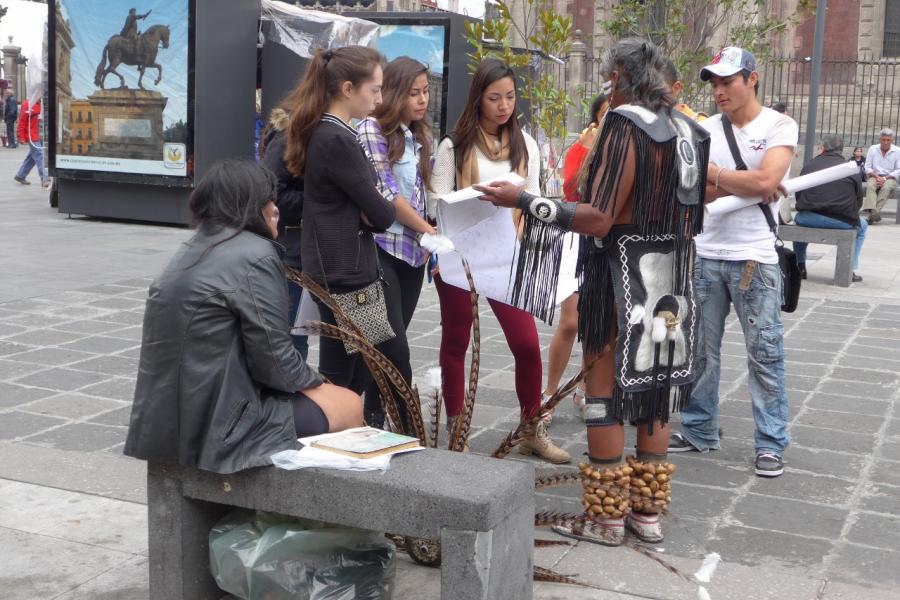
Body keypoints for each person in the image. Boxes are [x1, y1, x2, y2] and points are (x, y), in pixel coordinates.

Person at [477, 38, 710, 544]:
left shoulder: (626, 125)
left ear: (626, 78)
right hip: (670, 277)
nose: (609, 88)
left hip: (618, 274)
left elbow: (601, 218)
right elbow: (696, 209)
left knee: (601, 392)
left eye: (611, 80)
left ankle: (606, 518)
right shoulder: (691, 129)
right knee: (657, 391)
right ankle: (646, 517)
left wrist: (527, 200)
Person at [124, 160, 363, 474]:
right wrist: (320, 384)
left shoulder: (192, 247)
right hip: (221, 426)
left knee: (328, 396)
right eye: (268, 200)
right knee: (349, 403)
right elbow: (275, 364)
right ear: (248, 206)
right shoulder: (256, 255)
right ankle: (313, 504)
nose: (275, 208)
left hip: (169, 422)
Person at [430, 58, 569, 463]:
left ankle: (531, 429)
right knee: (456, 342)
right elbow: (436, 203)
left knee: (526, 344)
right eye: (494, 98)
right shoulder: (453, 145)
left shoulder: (525, 144)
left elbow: (537, 197)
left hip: (508, 255)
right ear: (478, 99)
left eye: (509, 97)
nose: (504, 105)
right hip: (460, 258)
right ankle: (458, 431)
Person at [668, 47, 797, 479]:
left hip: (755, 260)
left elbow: (766, 180)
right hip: (706, 255)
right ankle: (699, 428)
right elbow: (688, 190)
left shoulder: (779, 125)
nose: (719, 90)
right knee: (699, 354)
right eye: (714, 83)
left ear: (752, 79)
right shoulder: (704, 129)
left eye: (727, 82)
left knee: (765, 353)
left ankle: (771, 442)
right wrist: (744, 184)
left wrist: (718, 175)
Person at [285, 46, 401, 421]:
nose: (380, 99)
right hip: (344, 273)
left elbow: (374, 208)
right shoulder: (336, 138)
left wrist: (367, 207)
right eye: (375, 89)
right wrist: (367, 209)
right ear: (348, 88)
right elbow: (383, 213)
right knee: (344, 372)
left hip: (343, 269)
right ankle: (327, 440)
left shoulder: (332, 132)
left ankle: (339, 439)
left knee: (362, 364)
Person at [357, 57, 435, 428]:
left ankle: (374, 417)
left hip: (413, 256)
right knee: (393, 347)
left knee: (386, 346)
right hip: (380, 247)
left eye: (425, 91)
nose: (422, 100)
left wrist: (429, 230)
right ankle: (409, 426)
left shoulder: (418, 136)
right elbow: (387, 195)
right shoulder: (371, 129)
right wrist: (426, 229)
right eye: (413, 92)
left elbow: (420, 194)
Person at [546, 93, 609, 421]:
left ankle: (586, 388)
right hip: (576, 238)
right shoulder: (582, 145)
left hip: (608, 241)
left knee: (597, 323)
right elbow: (570, 189)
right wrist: (587, 150)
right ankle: (550, 392)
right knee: (571, 321)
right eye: (604, 113)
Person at [260, 92, 308, 360]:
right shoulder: (288, 138)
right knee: (293, 338)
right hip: (294, 253)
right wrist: (319, 199)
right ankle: (292, 400)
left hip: (331, 253)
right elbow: (272, 190)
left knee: (359, 344)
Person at [793, 135, 866, 283]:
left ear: (823, 148)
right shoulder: (850, 168)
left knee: (798, 220)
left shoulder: (809, 165)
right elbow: (858, 200)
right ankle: (850, 268)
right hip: (841, 220)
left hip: (809, 217)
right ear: (842, 150)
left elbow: (798, 194)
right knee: (862, 226)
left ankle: (800, 266)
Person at [861, 128, 900, 224]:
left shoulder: (897, 150)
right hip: (874, 175)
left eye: (888, 140)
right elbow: (867, 167)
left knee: (886, 188)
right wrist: (877, 176)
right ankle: (874, 214)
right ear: (880, 139)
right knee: (870, 186)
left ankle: (872, 214)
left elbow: (898, 169)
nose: (886, 142)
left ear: (892, 140)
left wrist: (885, 178)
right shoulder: (873, 149)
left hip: (890, 177)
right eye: (883, 139)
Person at [14, 99, 49, 188]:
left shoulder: (45, 103)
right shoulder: (27, 104)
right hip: (32, 135)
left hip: (41, 135)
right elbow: (22, 121)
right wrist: (21, 136)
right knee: (39, 155)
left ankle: (20, 175)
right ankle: (44, 178)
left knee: (33, 157)